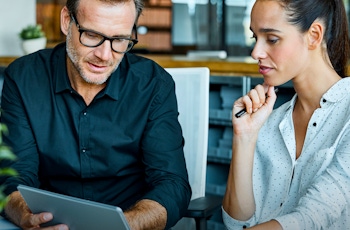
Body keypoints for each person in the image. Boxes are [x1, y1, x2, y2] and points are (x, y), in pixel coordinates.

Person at [0, 0, 192, 229]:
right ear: (66, 21)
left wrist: (122, 225)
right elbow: (13, 177)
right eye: (91, 35)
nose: (104, 55)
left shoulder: (153, 85)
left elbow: (171, 184)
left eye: (120, 40)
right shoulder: (23, 78)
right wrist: (26, 216)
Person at [222, 0, 350, 229]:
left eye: (271, 39)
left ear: (313, 35)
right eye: (255, 38)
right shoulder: (268, 121)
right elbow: (236, 223)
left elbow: (312, 219)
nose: (255, 52)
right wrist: (244, 137)